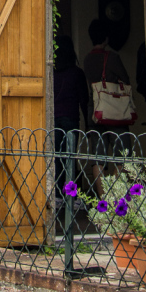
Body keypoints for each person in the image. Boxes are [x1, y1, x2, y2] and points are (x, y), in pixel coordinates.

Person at [83, 18, 135, 192]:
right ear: (106, 37)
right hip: (114, 110)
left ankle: (102, 198)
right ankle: (115, 193)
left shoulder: (87, 59)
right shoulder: (112, 57)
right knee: (122, 153)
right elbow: (125, 81)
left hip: (95, 110)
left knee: (98, 156)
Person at [53, 35, 88, 204]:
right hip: (71, 119)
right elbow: (84, 100)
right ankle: (71, 196)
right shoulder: (76, 73)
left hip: (54, 119)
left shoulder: (52, 73)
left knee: (56, 158)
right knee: (70, 158)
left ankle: (58, 194)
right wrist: (88, 124)